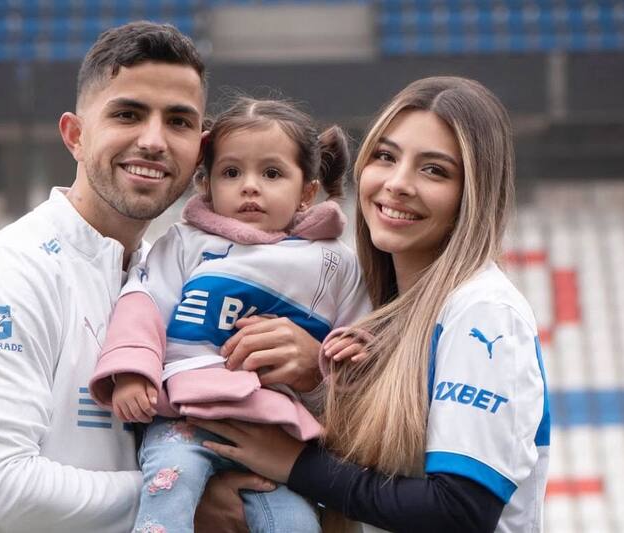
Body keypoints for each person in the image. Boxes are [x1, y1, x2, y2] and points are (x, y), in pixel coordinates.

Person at [0, 22, 311, 533]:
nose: (153, 141)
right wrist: (181, 496)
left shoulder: (180, 275)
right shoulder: (9, 276)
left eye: (177, 121)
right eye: (128, 114)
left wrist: (313, 368)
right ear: (76, 136)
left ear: (199, 148)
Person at [191, 77, 551, 533]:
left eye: (434, 170)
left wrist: (296, 464)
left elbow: (458, 511)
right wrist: (315, 381)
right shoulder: (379, 306)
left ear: (474, 194)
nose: (397, 184)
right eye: (386, 156)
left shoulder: (482, 310)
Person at [88, 97, 371, 533]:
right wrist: (130, 371)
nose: (249, 186)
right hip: (185, 417)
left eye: (272, 173)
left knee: (297, 524)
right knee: (169, 494)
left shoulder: (335, 262)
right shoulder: (184, 244)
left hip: (277, 435)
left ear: (307, 191)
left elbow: (357, 346)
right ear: (207, 185)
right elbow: (141, 304)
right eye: (231, 172)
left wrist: (326, 365)